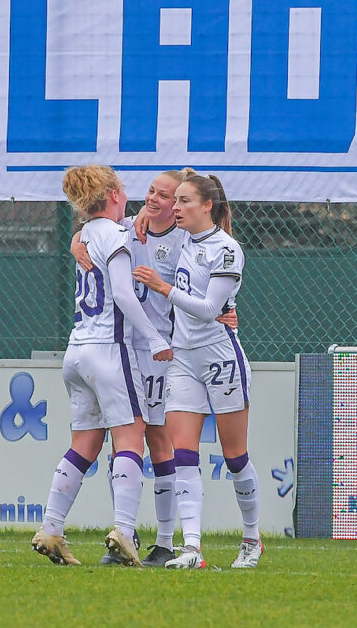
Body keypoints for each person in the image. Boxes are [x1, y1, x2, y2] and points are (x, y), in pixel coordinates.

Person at [71, 171, 237, 567]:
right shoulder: (126, 227)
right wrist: (75, 240)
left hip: (165, 348)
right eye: (152, 192)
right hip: (126, 348)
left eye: (167, 195)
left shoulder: (187, 238)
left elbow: (211, 282)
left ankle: (164, 543)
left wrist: (227, 312)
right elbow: (88, 231)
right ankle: (123, 534)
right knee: (123, 443)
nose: (157, 200)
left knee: (162, 442)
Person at [31, 165, 173, 567]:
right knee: (131, 436)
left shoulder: (90, 232)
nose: (127, 195)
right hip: (110, 350)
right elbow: (126, 297)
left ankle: (52, 528)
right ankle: (125, 531)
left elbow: (91, 238)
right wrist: (156, 338)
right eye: (123, 189)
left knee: (85, 444)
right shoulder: (113, 234)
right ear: (111, 195)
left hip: (76, 350)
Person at [133, 170, 263, 570]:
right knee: (183, 454)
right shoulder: (182, 239)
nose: (176, 207)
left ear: (208, 206)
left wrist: (163, 287)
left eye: (185, 201)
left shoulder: (226, 249)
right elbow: (135, 229)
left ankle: (252, 539)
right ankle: (192, 548)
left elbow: (210, 310)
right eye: (176, 201)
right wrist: (141, 212)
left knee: (234, 454)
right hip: (183, 358)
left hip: (220, 358)